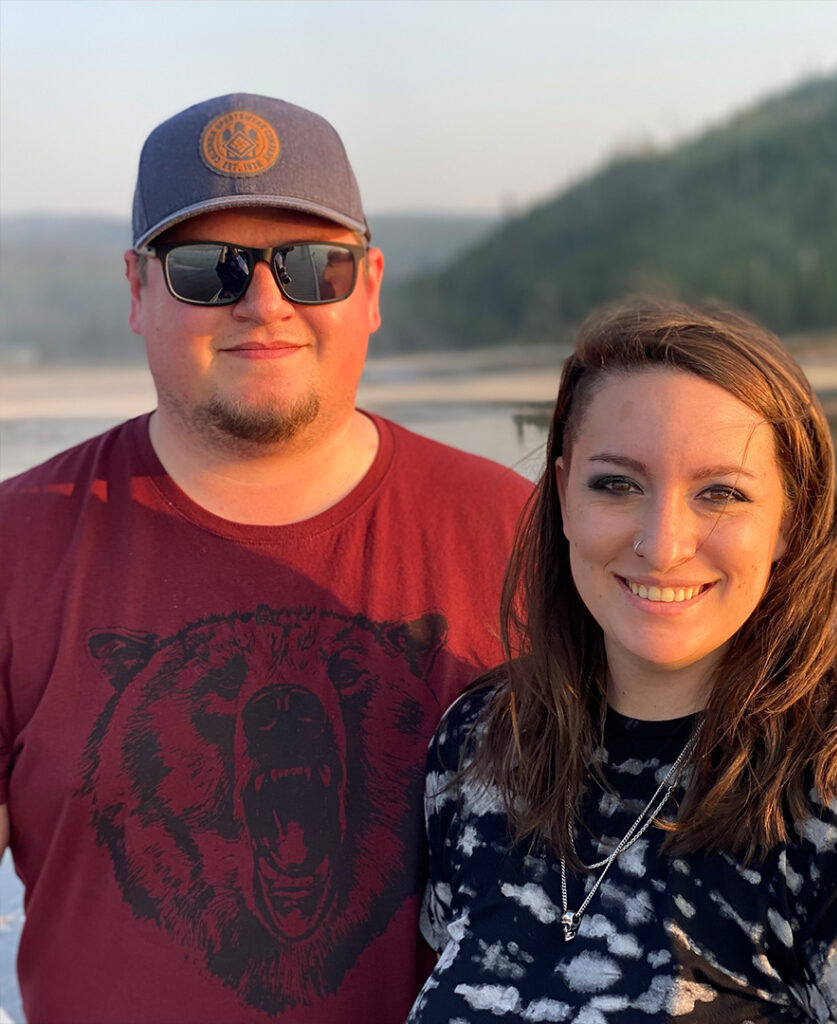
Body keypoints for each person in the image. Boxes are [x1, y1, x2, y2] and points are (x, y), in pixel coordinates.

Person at [0, 93, 532, 1024]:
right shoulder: (17, 546)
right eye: (210, 270)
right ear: (136, 289)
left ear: (369, 286)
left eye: (311, 267)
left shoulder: (517, 537)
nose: (264, 303)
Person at [407, 299, 837, 1023]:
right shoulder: (479, 750)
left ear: (791, 520)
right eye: (617, 484)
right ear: (562, 495)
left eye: (721, 493)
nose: (664, 542)